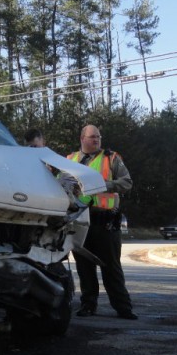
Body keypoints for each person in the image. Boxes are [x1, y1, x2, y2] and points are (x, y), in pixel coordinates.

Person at [67, 125, 137, 319]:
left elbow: (127, 183)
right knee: (84, 267)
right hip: (80, 221)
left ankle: (123, 308)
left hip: (105, 222)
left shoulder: (111, 158)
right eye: (92, 137)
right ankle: (88, 306)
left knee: (111, 267)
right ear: (82, 138)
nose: (96, 140)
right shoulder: (70, 159)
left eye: (98, 137)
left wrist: (103, 185)